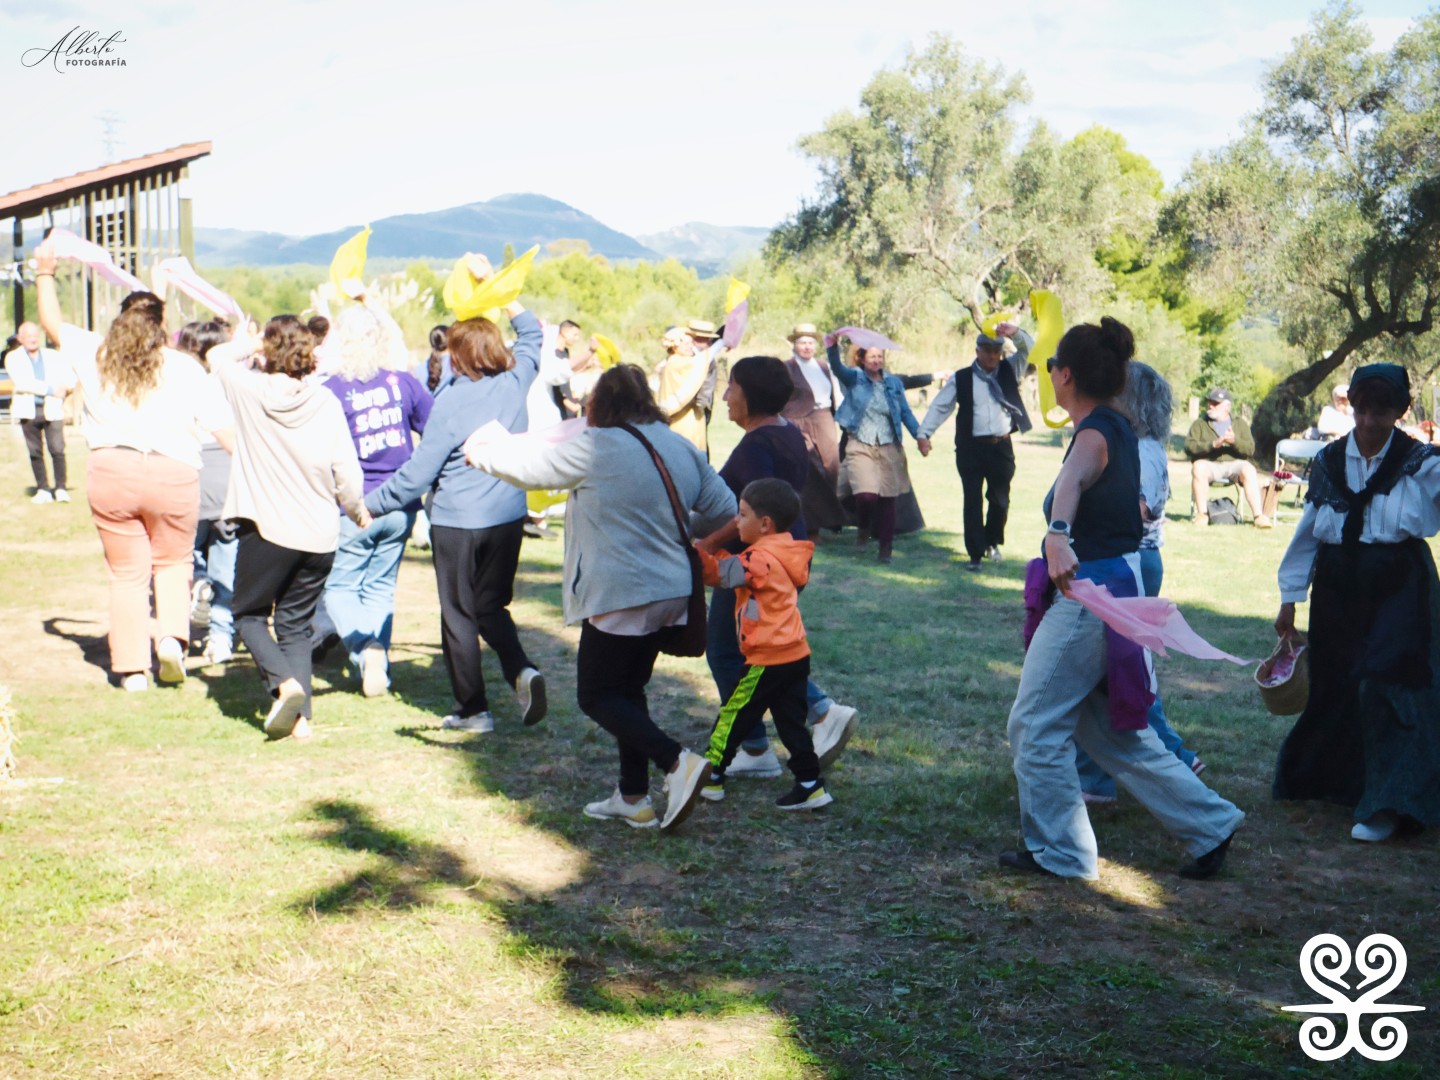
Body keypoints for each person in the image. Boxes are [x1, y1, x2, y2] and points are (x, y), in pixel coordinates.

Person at [1000, 316, 1244, 881]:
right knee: (1106, 729)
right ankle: (1210, 824)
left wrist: (1058, 533)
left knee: (1033, 723)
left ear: (1065, 376)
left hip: (1093, 595)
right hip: (1114, 588)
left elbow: (1072, 482)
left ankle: (1063, 853)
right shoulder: (1121, 428)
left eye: (1050, 368)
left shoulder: (1093, 434)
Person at [464, 364, 736, 832]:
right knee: (627, 692)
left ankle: (677, 762)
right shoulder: (680, 446)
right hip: (673, 589)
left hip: (620, 593)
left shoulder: (595, 446)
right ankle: (632, 797)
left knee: (596, 696)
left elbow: (529, 471)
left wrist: (481, 455)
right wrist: (686, 541)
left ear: (600, 404)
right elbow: (727, 509)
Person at [34, 243, 234, 692]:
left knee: (126, 574)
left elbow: (51, 324)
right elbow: (226, 433)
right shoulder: (185, 369)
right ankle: (170, 639)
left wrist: (45, 272)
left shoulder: (96, 354)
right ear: (161, 329)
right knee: (173, 563)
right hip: (174, 474)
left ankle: (130, 670)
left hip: (112, 471)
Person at [364, 255, 546, 734]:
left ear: (456, 355)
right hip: (508, 514)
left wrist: (370, 505)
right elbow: (532, 335)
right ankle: (522, 670)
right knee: (491, 607)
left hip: (458, 522)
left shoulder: (448, 403)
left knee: (459, 615)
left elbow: (418, 473)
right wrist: (500, 289)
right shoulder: (516, 381)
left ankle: (473, 711)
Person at [1273, 363, 1440, 842]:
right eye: (1362, 409)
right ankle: (1341, 784)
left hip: (1399, 585)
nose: (1368, 421)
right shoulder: (1327, 462)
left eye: (1380, 411)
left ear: (1399, 412)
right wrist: (1290, 597)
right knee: (1338, 682)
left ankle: (1393, 804)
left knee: (1389, 684)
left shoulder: (1422, 462)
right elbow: (1308, 535)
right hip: (1338, 587)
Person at [696, 356, 859, 783]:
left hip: (757, 563)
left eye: (731, 387)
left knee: (731, 652)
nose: (726, 396)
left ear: (750, 396)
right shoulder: (786, 431)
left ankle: (813, 714)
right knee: (761, 649)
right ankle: (765, 743)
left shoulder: (755, 446)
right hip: (788, 552)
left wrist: (708, 545)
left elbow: (753, 508)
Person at [208, 317, 369, 739]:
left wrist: (252, 342)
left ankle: (286, 684)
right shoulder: (327, 402)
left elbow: (216, 355)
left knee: (248, 615)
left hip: (267, 529)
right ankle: (302, 725)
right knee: (296, 625)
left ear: (268, 351)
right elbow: (347, 471)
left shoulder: (248, 390)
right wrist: (355, 510)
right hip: (319, 534)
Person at [1074, 361, 1203, 803]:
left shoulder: (1142, 449)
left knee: (1122, 673)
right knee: (1105, 672)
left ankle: (1175, 755)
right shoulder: (1141, 444)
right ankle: (1095, 776)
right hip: (1129, 561)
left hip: (1129, 564)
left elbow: (1141, 509)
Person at [697, 479, 832, 810]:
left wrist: (697, 551)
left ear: (765, 523)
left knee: (733, 714)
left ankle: (711, 775)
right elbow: (740, 568)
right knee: (790, 723)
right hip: (795, 655)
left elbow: (720, 574)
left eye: (742, 515)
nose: (736, 522)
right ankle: (810, 784)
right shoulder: (784, 551)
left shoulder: (760, 559)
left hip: (766, 659)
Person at [319, 306, 434, 697]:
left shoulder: (331, 390)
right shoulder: (403, 382)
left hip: (354, 507)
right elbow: (433, 431)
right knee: (380, 587)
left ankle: (366, 650)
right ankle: (378, 666)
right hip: (400, 503)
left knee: (338, 588)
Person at [916, 323, 1033, 571]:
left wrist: (1014, 333)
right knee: (972, 499)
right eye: (987, 350)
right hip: (971, 447)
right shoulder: (962, 378)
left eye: (997, 351)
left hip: (1001, 446)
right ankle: (975, 554)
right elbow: (940, 406)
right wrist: (924, 434)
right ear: (977, 350)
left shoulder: (1009, 369)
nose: (993, 356)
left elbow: (1029, 351)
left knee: (1000, 500)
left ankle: (992, 542)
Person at [175, 320, 240, 666]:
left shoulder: (176, 380)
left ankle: (197, 585)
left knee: (183, 557)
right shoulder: (233, 382)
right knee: (226, 567)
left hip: (190, 477)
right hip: (229, 483)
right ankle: (220, 638)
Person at [826, 335, 921, 563]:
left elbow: (905, 412)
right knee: (867, 495)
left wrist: (920, 435)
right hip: (860, 444)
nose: (877, 361)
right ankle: (864, 527)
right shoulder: (854, 378)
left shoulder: (893, 383)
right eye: (872, 357)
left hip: (889, 445)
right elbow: (837, 368)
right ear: (862, 358)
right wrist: (832, 346)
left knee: (888, 498)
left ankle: (885, 548)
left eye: (880, 356)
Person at [781, 323, 847, 532]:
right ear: (794, 345)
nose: (807, 347)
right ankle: (810, 520)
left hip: (824, 416)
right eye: (802, 342)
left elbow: (835, 393)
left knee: (831, 465)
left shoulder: (824, 366)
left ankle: (831, 515)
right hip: (797, 419)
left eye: (810, 342)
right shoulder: (786, 367)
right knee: (810, 467)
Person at [5, 320, 77, 503]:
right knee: (35, 451)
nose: (32, 339)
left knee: (57, 449)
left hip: (52, 408)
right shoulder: (13, 358)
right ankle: (43, 489)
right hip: (28, 410)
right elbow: (23, 383)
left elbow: (69, 376)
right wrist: (51, 389)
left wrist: (66, 388)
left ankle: (60, 488)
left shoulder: (53, 356)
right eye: (28, 336)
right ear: (20, 338)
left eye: (35, 335)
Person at [1185, 387, 1272, 527]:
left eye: (1215, 403)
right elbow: (1189, 447)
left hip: (1234, 464)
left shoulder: (1240, 424)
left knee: (1249, 469)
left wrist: (1234, 442)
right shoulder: (1199, 424)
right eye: (1210, 402)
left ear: (1227, 406)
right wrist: (1212, 444)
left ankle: (1258, 516)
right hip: (1209, 464)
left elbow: (1250, 449)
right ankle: (1202, 515)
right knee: (1198, 467)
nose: (1210, 406)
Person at [654, 319, 725, 454]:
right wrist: (721, 343)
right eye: (686, 343)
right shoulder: (678, 362)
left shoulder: (682, 360)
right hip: (683, 419)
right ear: (676, 346)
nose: (690, 346)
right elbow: (698, 364)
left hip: (692, 415)